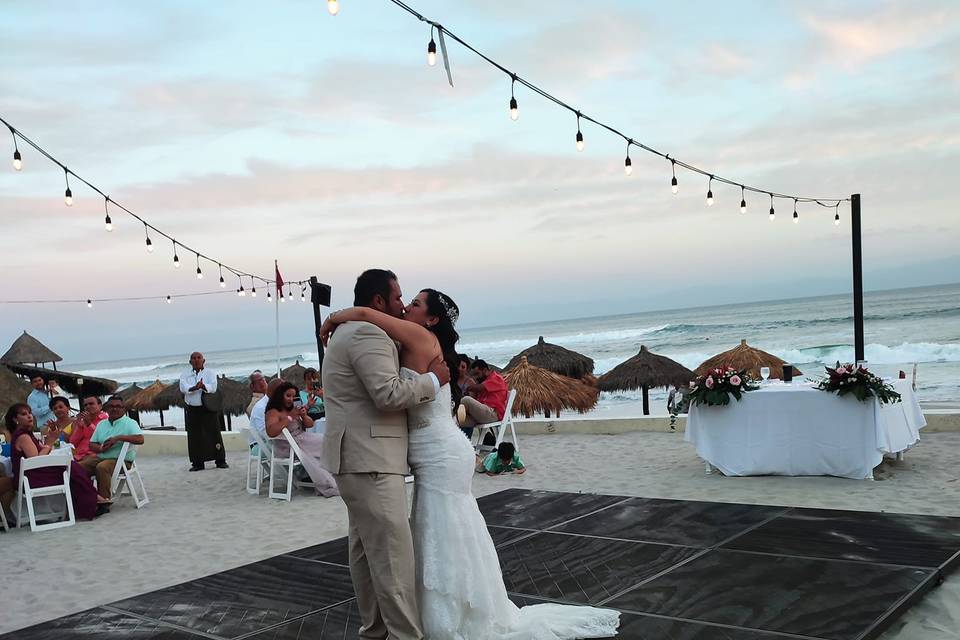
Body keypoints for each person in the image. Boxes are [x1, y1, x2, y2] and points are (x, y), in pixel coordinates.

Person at [322, 284, 619, 639]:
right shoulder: (409, 339)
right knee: (446, 530)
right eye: (403, 299)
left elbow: (371, 315)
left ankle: (452, 618)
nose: (405, 306)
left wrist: (337, 316)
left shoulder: (416, 336)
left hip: (439, 452)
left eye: (414, 303)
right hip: (435, 450)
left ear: (431, 318)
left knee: (440, 529)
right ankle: (457, 611)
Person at [320, 269, 448, 640]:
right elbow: (388, 394)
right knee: (393, 559)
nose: (402, 305)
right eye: (397, 298)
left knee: (365, 553)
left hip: (356, 458)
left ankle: (374, 631)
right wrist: (434, 380)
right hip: (370, 459)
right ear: (378, 301)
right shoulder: (367, 333)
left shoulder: (353, 330)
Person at [5, 403, 107, 520]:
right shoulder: (23, 437)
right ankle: (93, 501)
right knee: (71, 470)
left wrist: (49, 442)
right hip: (31, 479)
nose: (29, 416)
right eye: (24, 414)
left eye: (30, 413)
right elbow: (35, 461)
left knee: (72, 469)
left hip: (30, 476)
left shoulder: (24, 435)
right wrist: (50, 443)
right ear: (15, 419)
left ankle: (93, 500)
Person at [265, 381, 339, 497]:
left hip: (301, 439)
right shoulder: (273, 412)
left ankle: (336, 473)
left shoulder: (293, 408)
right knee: (326, 443)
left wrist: (303, 415)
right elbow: (271, 431)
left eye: (293, 396)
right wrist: (290, 417)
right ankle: (329, 480)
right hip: (287, 446)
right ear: (280, 396)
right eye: (288, 396)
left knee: (329, 441)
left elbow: (310, 425)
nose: (291, 399)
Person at [81, 395, 144, 501]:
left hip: (121, 461)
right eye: (111, 406)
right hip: (101, 456)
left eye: (118, 406)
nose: (114, 409)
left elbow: (140, 439)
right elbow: (92, 444)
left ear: (123, 408)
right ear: (106, 408)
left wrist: (118, 438)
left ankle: (104, 500)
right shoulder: (102, 424)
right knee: (77, 467)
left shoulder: (130, 423)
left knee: (102, 467)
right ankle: (86, 498)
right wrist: (101, 448)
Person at [179, 352, 227, 471]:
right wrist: (195, 387)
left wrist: (203, 386)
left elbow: (213, 387)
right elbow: (183, 388)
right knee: (194, 436)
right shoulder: (185, 374)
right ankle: (197, 463)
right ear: (190, 362)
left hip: (208, 408)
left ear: (203, 360)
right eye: (194, 358)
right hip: (193, 409)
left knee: (214, 433)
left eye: (198, 358)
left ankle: (220, 460)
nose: (196, 360)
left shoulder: (209, 373)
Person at [461, 359, 509, 429]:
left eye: (477, 374)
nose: (476, 377)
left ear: (485, 370)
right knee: (455, 421)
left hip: (493, 414)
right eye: (474, 375)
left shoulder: (496, 378)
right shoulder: (483, 381)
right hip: (482, 415)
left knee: (466, 400)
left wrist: (468, 388)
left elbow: (479, 388)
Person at [71, 395, 107, 463]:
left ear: (100, 406)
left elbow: (100, 437)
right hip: (78, 455)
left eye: (91, 404)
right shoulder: (84, 420)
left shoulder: (105, 419)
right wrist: (79, 426)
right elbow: (73, 443)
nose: (88, 406)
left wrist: (89, 424)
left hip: (94, 456)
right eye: (85, 405)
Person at [249, 378, 282, 447]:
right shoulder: (261, 407)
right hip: (259, 446)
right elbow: (264, 433)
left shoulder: (272, 404)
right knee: (291, 448)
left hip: (267, 442)